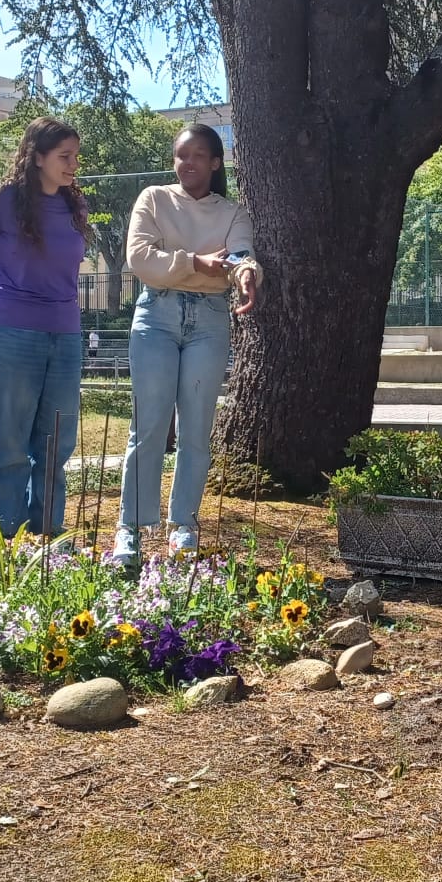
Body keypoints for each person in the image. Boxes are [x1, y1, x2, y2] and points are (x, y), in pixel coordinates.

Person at [114, 122, 262, 561]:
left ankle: (184, 525)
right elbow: (141, 259)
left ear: (216, 163)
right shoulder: (154, 199)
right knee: (149, 426)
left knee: (196, 428)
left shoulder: (232, 213)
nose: (189, 163)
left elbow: (240, 255)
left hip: (209, 321)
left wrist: (246, 273)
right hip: (155, 318)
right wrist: (196, 262)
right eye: (182, 155)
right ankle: (131, 527)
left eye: (199, 155)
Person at [0, 116, 92, 541]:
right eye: (64, 156)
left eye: (76, 157)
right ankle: (4, 544)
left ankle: (48, 542)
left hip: (64, 337)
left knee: (55, 446)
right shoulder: (2, 199)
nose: (73, 165)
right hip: (8, 334)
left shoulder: (75, 205)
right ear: (37, 157)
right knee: (8, 448)